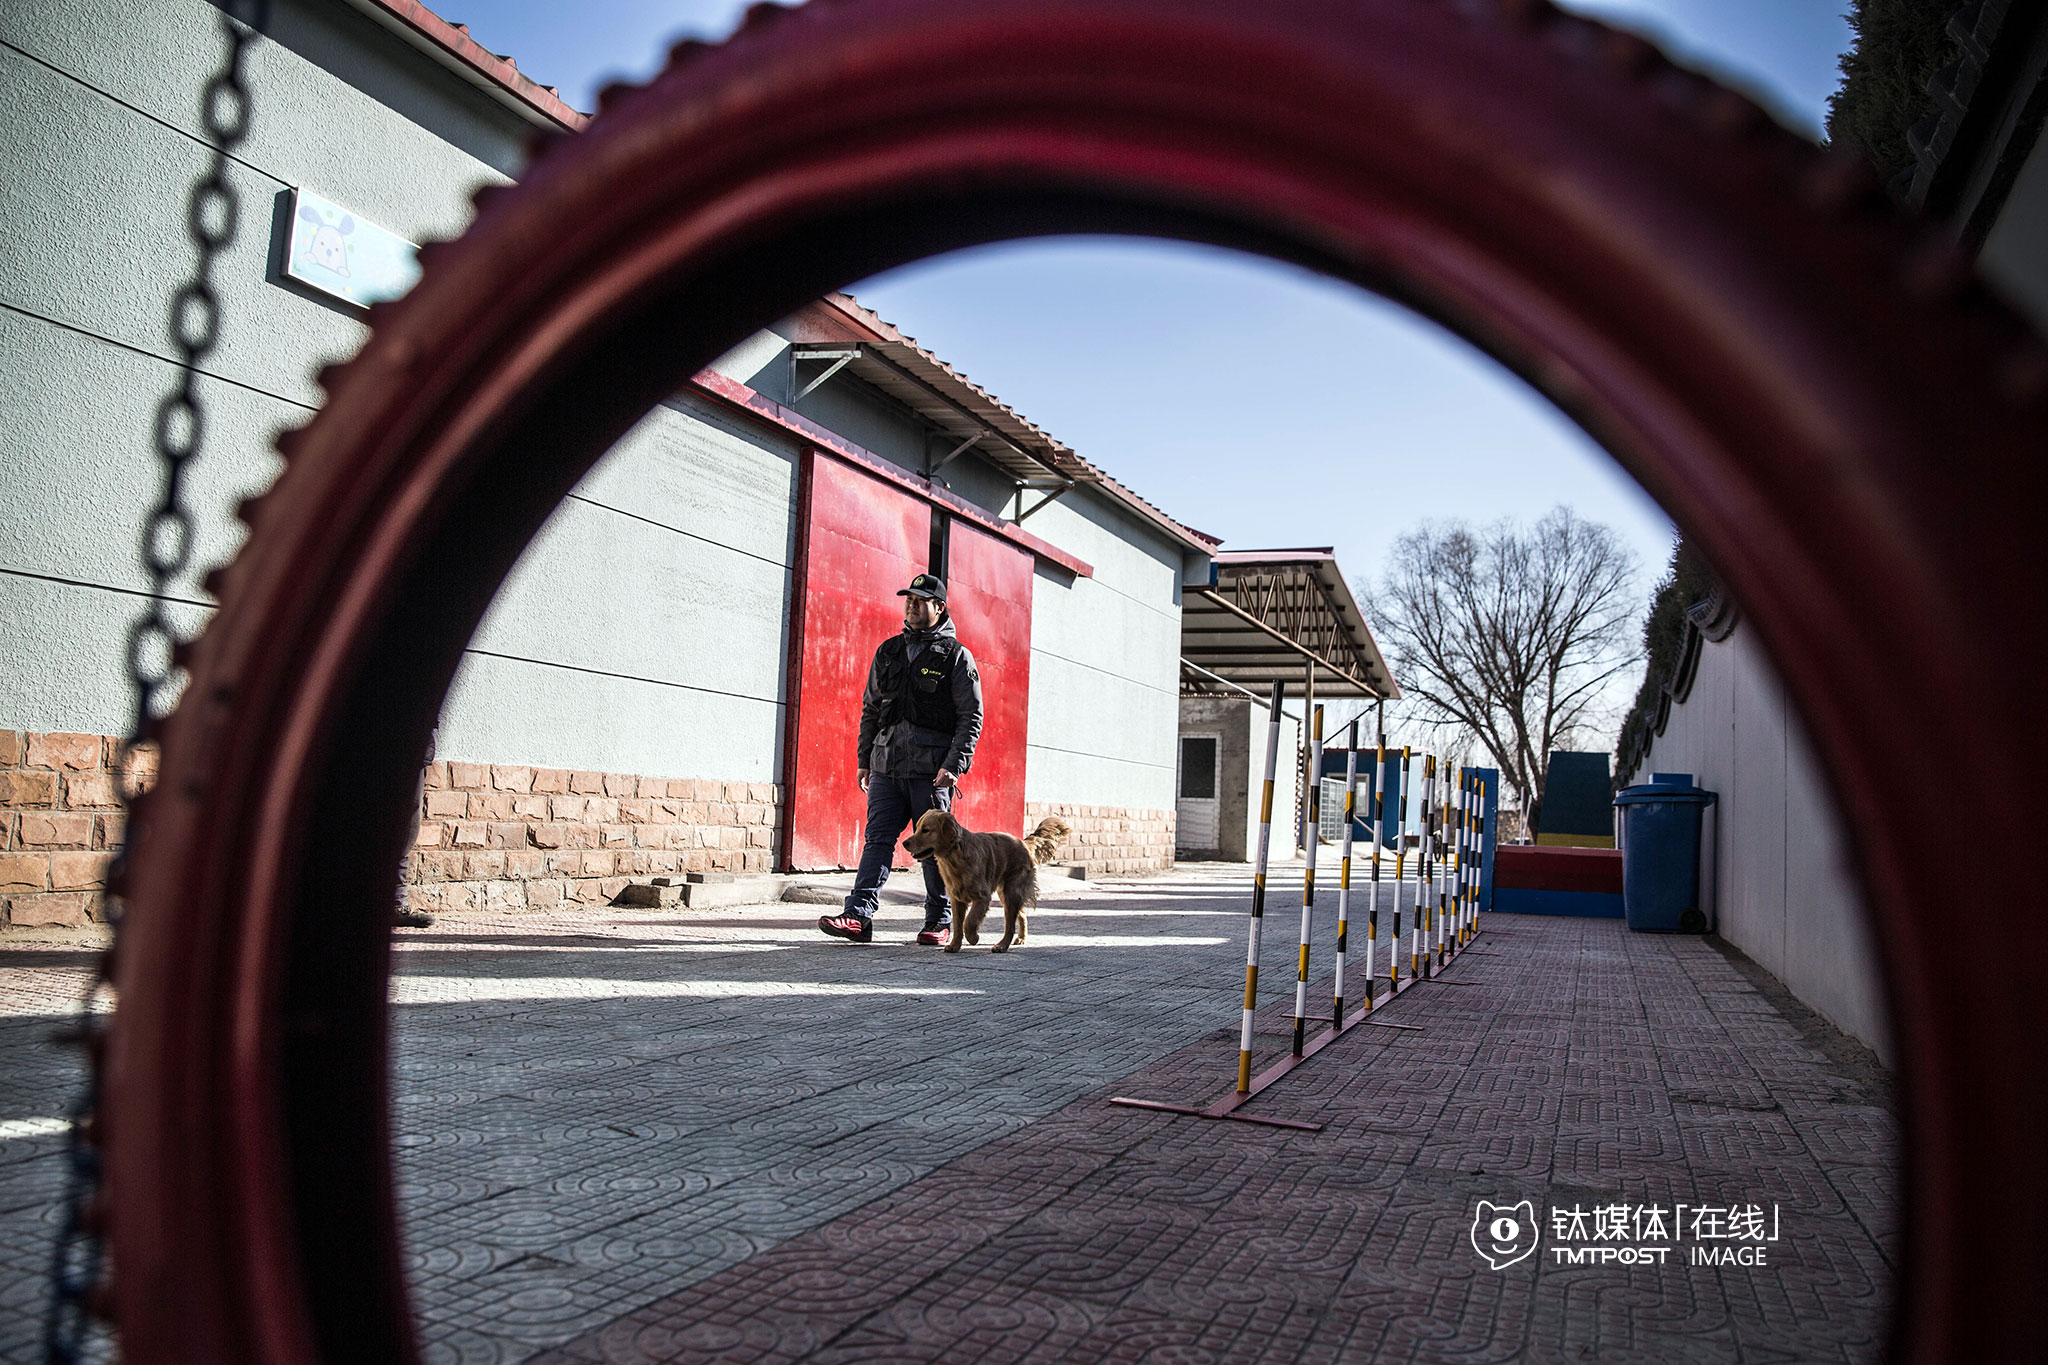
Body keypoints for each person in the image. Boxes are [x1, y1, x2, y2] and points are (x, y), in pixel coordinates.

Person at [818, 572, 984, 945]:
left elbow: (970, 717)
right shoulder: (888, 650)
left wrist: (954, 765)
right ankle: (858, 916)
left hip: (930, 772)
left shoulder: (955, 656)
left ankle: (939, 920)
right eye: (908, 599)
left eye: (919, 601)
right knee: (877, 840)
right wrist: (864, 758)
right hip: (885, 766)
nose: (910, 605)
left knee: (932, 849)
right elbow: (871, 708)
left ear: (939, 608)